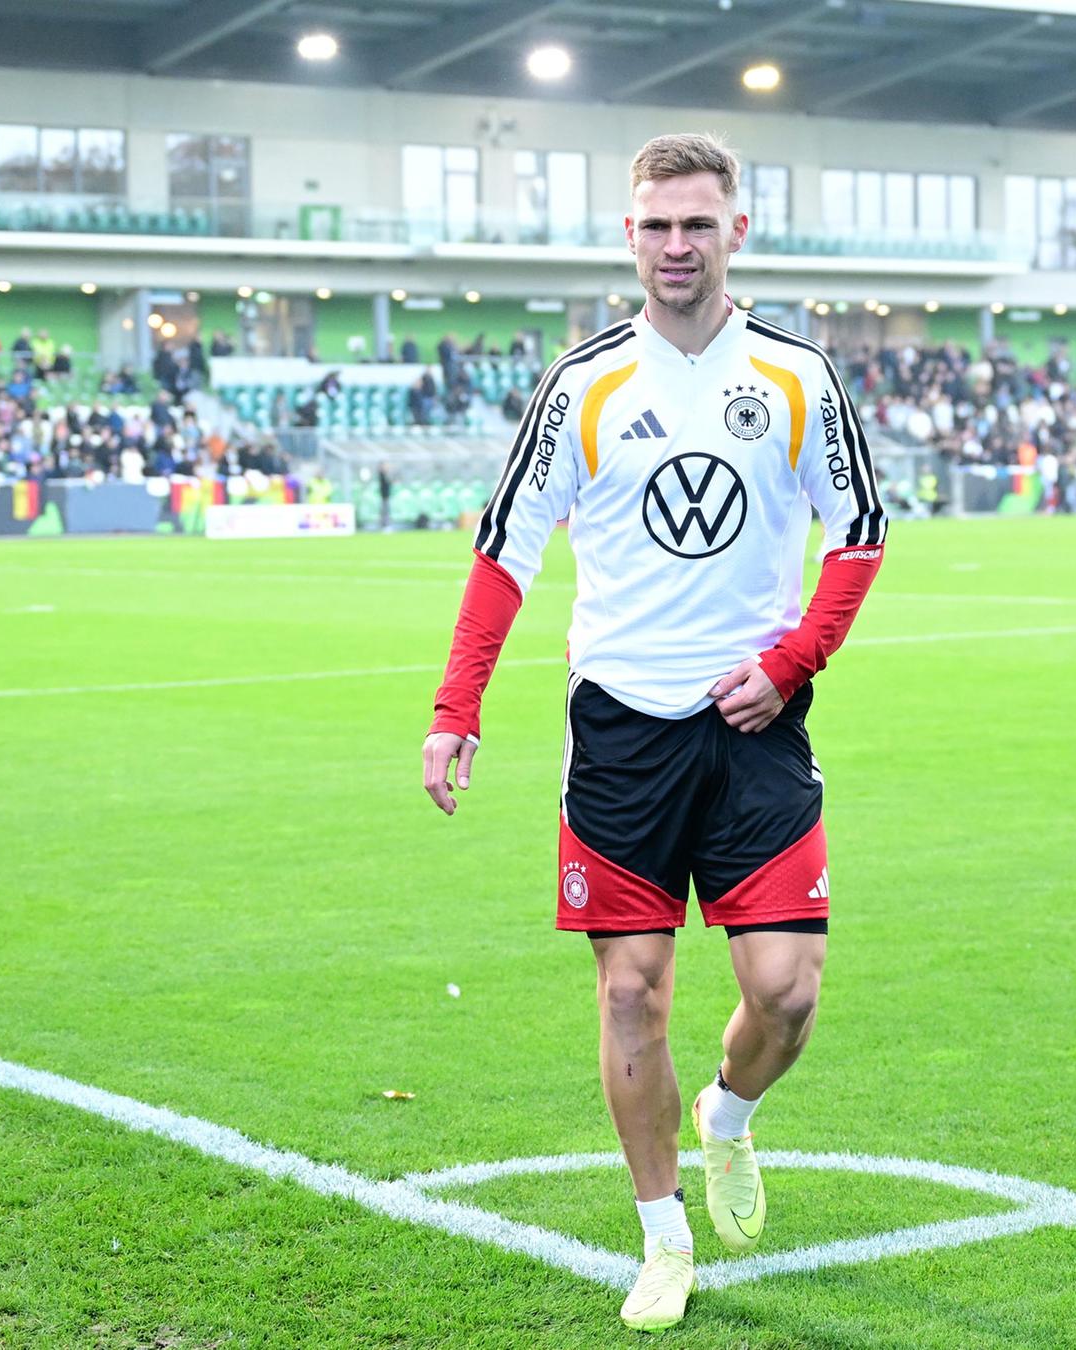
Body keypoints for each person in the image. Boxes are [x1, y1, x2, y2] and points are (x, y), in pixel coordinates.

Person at [421, 132, 885, 1333]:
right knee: (632, 993)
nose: (677, 245)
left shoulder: (796, 375)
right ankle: (663, 1239)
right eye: (656, 225)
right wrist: (457, 708)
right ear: (629, 236)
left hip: (756, 725)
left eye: (698, 224)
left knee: (786, 993)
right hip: (623, 732)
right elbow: (504, 554)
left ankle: (728, 1115)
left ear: (737, 231)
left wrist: (789, 663)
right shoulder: (581, 384)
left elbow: (861, 535)